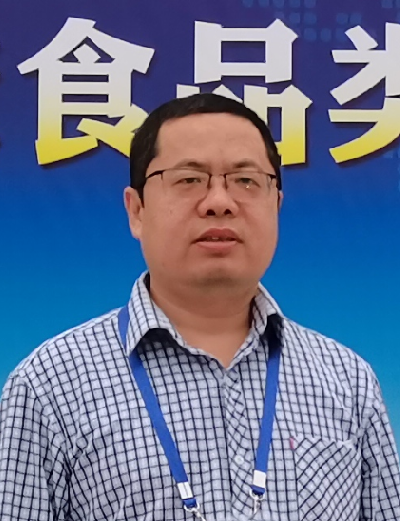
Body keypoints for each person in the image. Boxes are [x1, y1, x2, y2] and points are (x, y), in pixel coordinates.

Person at [0, 93, 399, 521]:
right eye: (189, 179)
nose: (219, 202)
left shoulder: (348, 381)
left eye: (246, 180)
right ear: (136, 211)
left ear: (276, 205)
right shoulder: (48, 386)